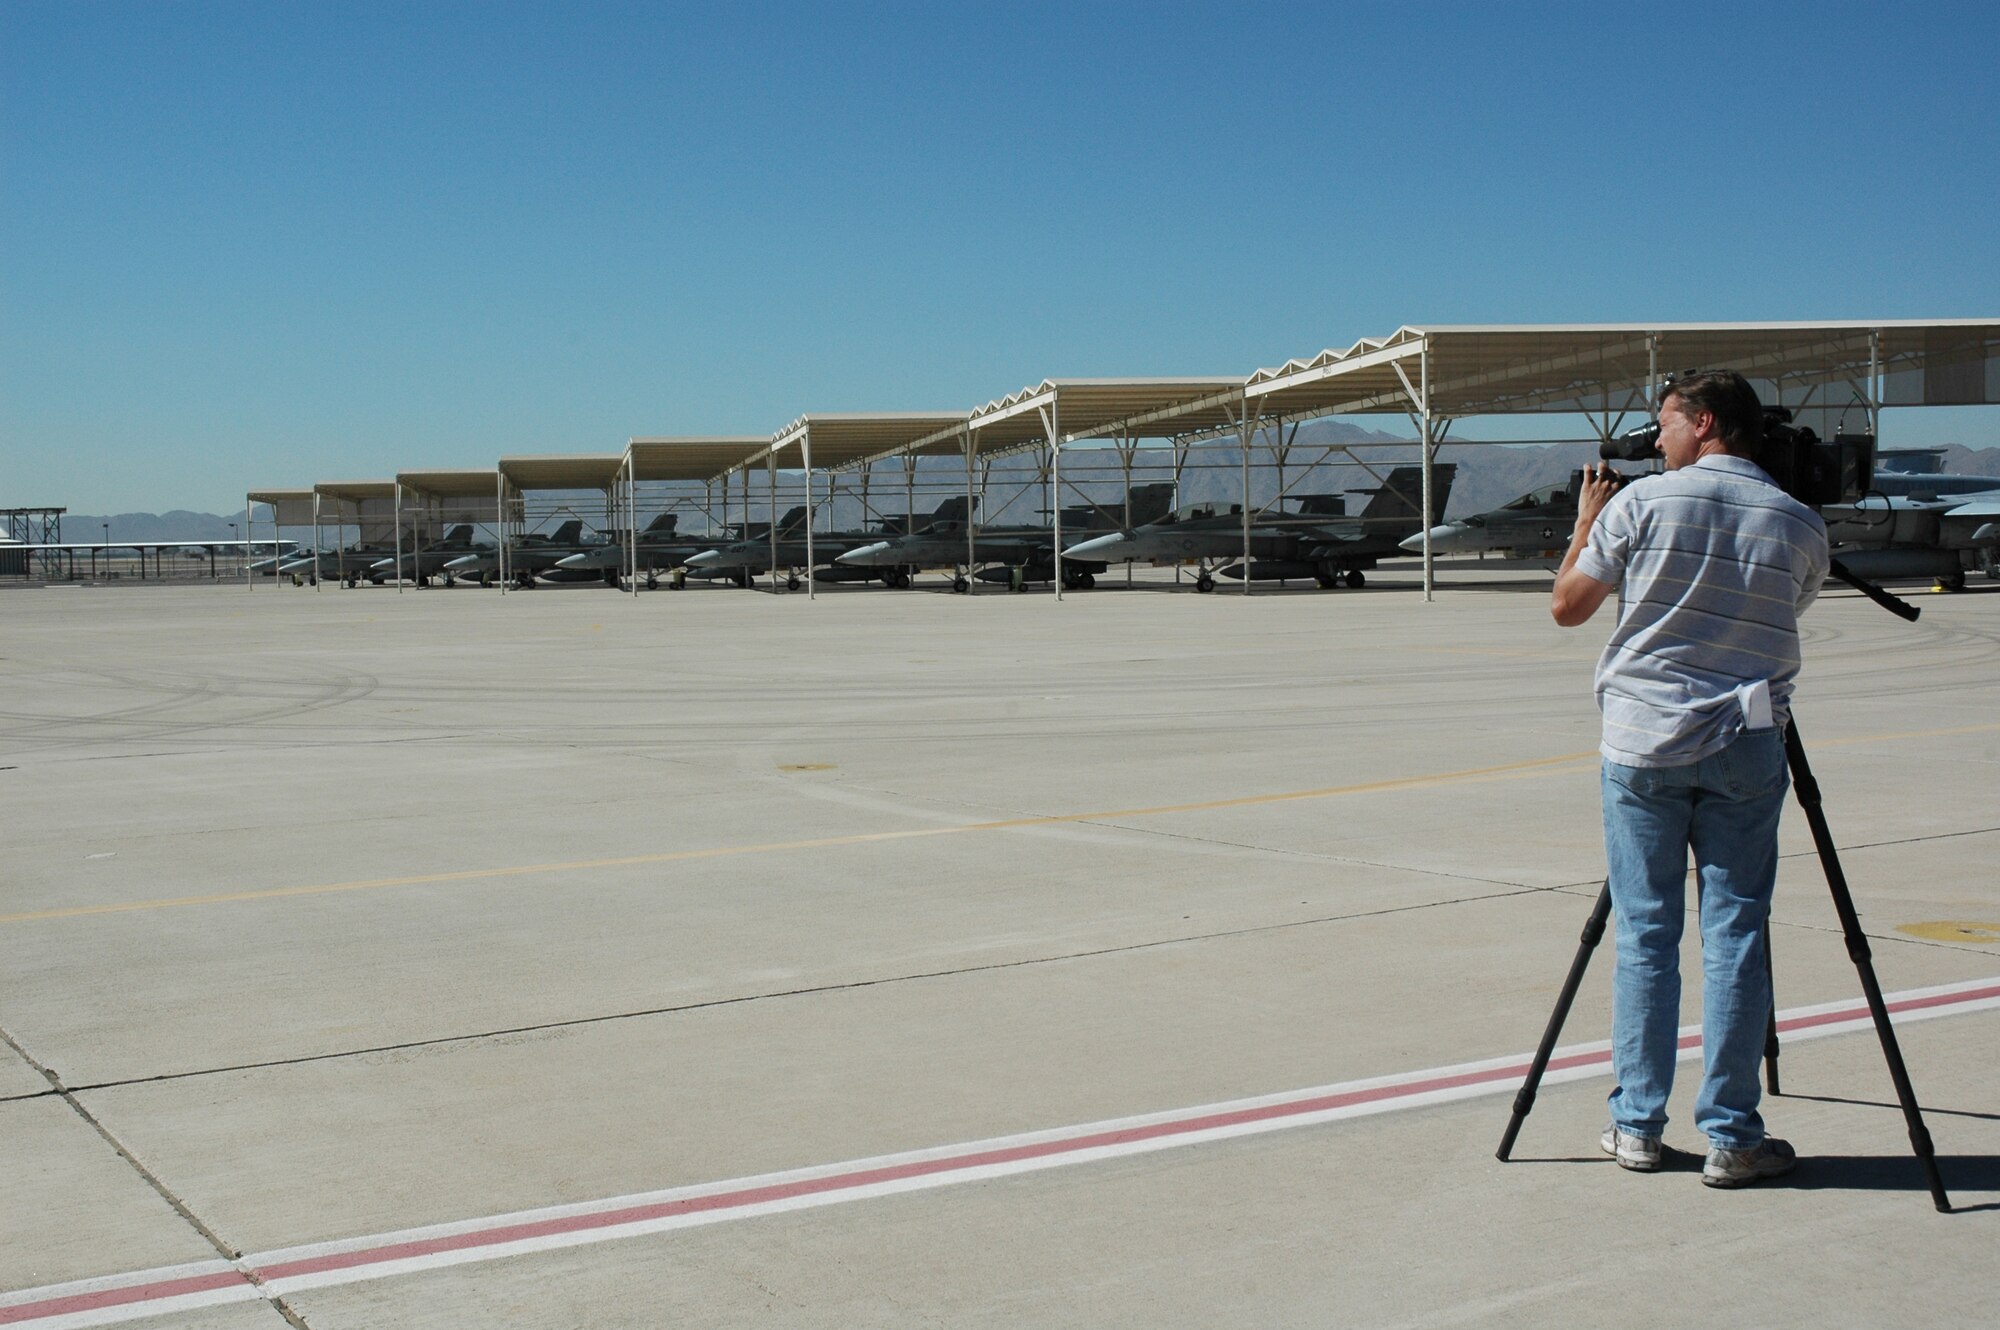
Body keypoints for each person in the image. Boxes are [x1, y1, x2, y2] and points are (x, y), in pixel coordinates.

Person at [1550, 369, 1829, 1188]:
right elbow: (1790, 606)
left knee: (1645, 934)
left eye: (1664, 424)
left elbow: (1568, 606)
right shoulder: (1798, 520)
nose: (1657, 440)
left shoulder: (1640, 505)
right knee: (1737, 934)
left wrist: (1587, 524)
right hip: (1746, 740)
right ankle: (1733, 1134)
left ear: (1704, 423)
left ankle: (1636, 1124)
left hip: (1645, 746)